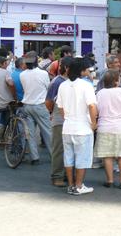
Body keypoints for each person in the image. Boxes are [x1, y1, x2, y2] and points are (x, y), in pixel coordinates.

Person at [56, 57, 98, 195]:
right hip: (82, 127)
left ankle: (71, 185)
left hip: (68, 127)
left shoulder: (63, 85)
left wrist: (67, 118)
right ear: (81, 71)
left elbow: (60, 108)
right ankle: (79, 186)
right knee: (81, 157)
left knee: (68, 157)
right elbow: (92, 105)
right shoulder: (86, 85)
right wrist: (94, 123)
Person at [95, 70, 121, 189]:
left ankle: (110, 180)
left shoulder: (100, 93)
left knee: (107, 156)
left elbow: (95, 111)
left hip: (104, 127)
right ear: (115, 81)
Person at [20, 51, 51, 165]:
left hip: (27, 106)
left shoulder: (22, 74)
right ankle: (54, 155)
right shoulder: (43, 74)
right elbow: (48, 88)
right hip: (39, 105)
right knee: (47, 131)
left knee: (30, 133)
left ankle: (35, 157)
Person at [46, 57, 72, 187]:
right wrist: (54, 113)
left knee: (67, 149)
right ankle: (57, 176)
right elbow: (49, 102)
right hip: (59, 121)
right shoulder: (57, 82)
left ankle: (66, 175)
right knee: (59, 149)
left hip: (68, 121)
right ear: (67, 68)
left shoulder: (67, 81)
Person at [0, 56, 15, 136]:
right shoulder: (6, 72)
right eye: (6, 63)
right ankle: (2, 130)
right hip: (5, 103)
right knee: (7, 118)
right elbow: (11, 83)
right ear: (2, 64)